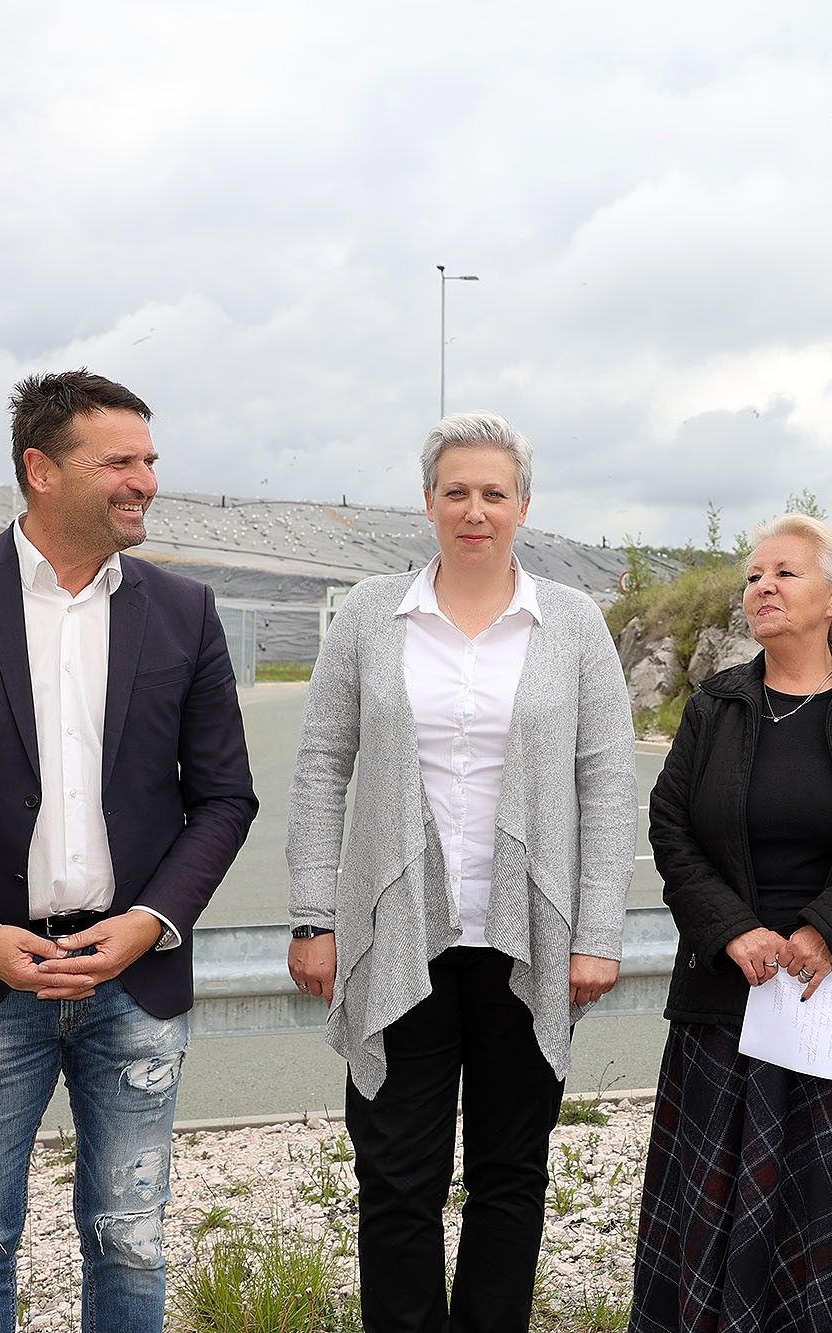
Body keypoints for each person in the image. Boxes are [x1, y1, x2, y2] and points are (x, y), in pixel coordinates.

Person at [0, 370, 258, 1331]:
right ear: (41, 468)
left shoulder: (184, 609)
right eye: (119, 462)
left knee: (133, 1246)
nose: (145, 481)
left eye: (149, 460)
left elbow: (225, 796)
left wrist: (151, 922)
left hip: (133, 984)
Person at [286, 411, 637, 1333]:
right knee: (396, 1177)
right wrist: (314, 915)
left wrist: (598, 933)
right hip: (398, 938)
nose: (474, 510)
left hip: (530, 940)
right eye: (456, 492)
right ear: (428, 502)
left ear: (523, 504)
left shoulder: (573, 621)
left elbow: (608, 783)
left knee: (510, 1175)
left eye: (493, 492)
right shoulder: (371, 614)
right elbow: (321, 766)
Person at [632, 513, 832, 1333]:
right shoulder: (714, 707)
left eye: (784, 573)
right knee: (719, 1224)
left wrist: (824, 931)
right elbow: (670, 828)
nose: (762, 587)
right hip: (725, 1009)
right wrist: (733, 929)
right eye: (753, 576)